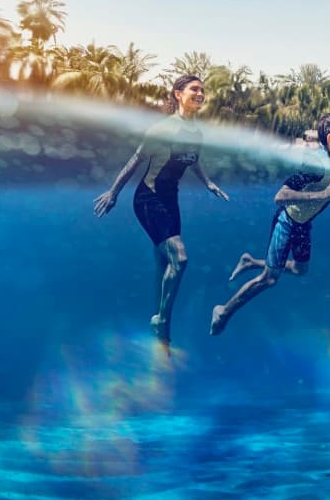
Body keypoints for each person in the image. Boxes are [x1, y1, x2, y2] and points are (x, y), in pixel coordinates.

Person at [210, 112, 330, 335]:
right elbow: (280, 196)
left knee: (300, 270)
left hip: (304, 225)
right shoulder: (314, 165)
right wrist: (321, 194)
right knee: (270, 279)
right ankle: (223, 310)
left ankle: (251, 261)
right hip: (287, 223)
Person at [94, 74, 229, 352]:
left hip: (170, 200)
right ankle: (161, 321)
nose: (200, 93)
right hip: (148, 198)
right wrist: (113, 193)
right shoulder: (163, 129)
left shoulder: (196, 133)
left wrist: (209, 183)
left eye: (203, 90)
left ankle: (160, 335)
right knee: (180, 258)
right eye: (194, 89)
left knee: (163, 264)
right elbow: (135, 160)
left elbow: (194, 161)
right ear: (178, 94)